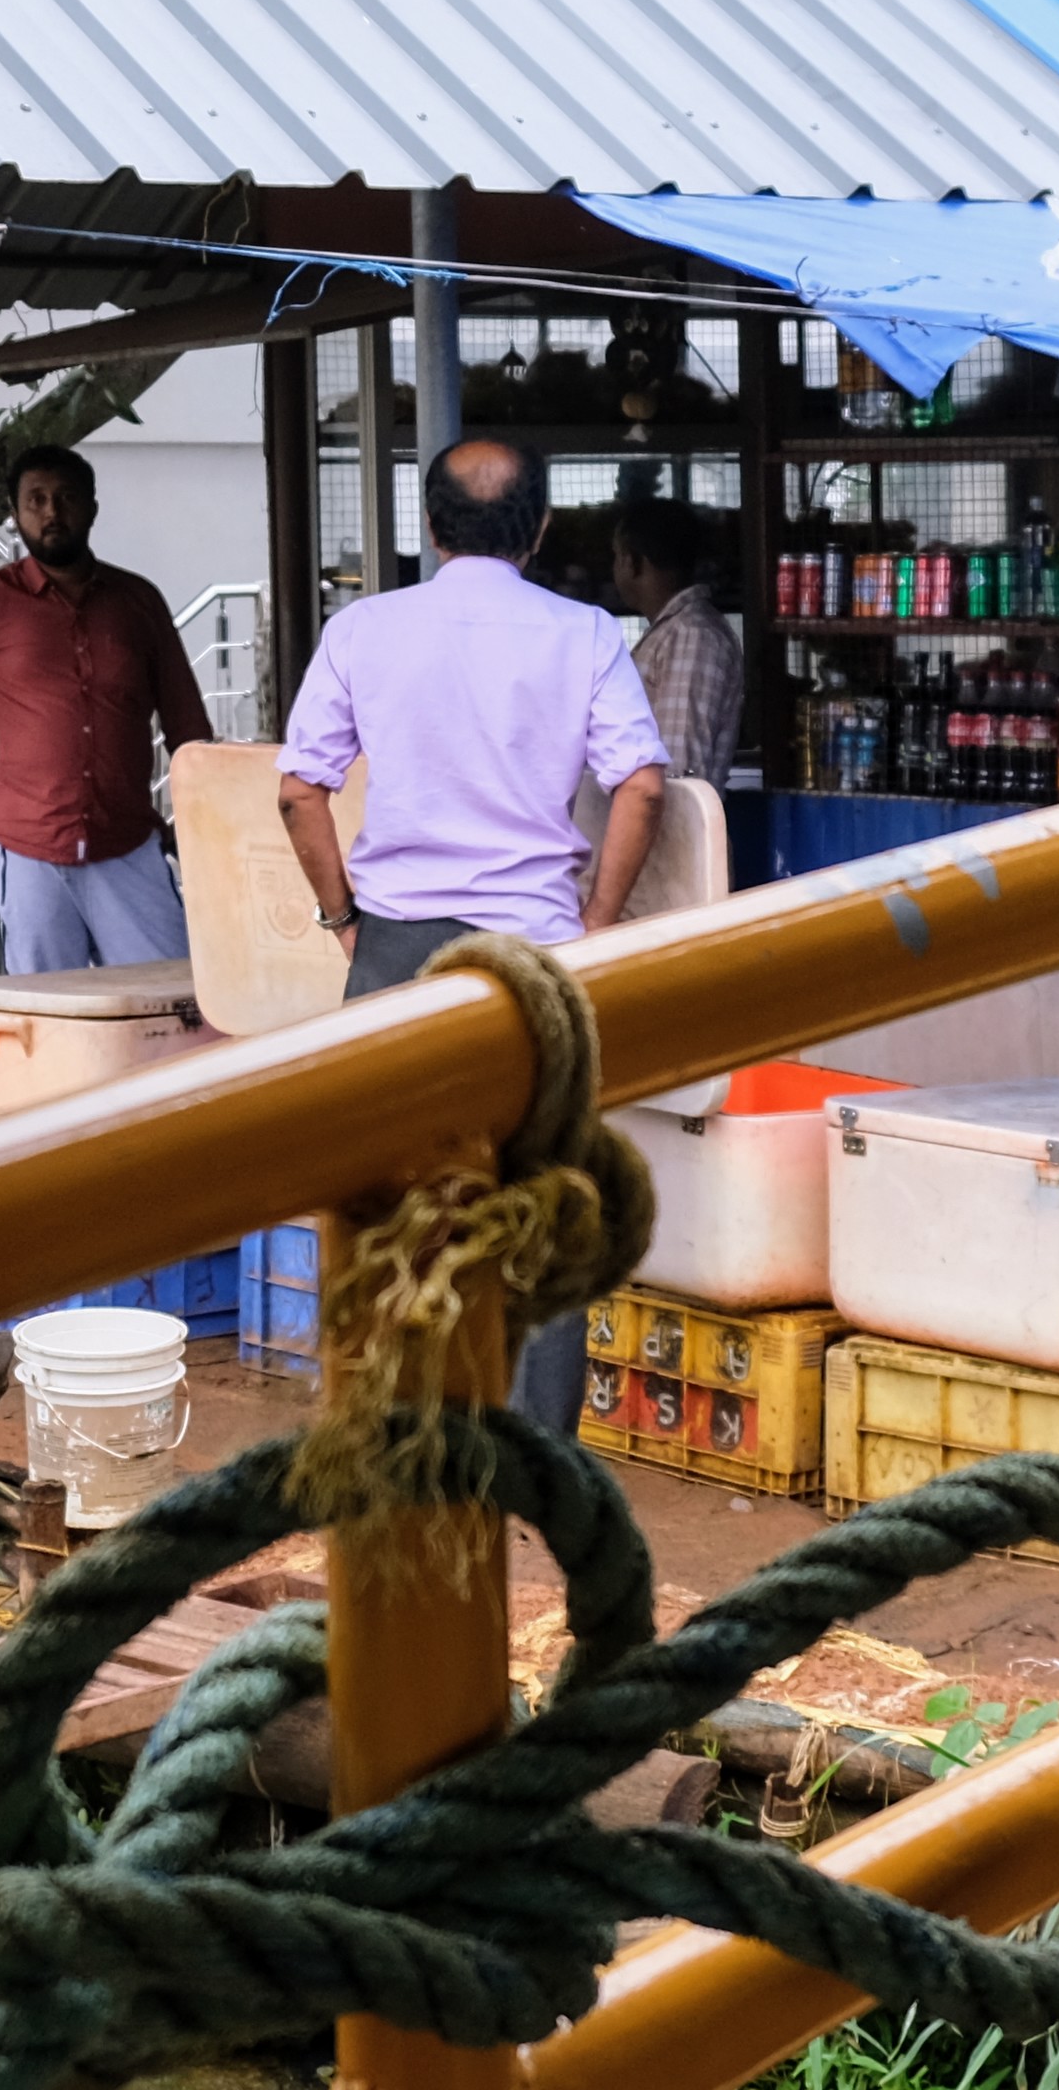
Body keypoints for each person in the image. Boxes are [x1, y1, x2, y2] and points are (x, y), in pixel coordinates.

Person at [275, 437, 673, 1430]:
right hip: (535, 962)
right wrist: (598, 919)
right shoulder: (585, 634)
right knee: (542, 1202)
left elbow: (298, 790)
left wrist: (341, 914)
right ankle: (535, 1450)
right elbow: (645, 782)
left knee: (386, 1203)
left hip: (397, 952)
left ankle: (390, 1424)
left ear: (431, 526)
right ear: (539, 527)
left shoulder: (364, 629)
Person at [0, 445, 212, 973]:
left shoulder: (137, 600)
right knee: (46, 1011)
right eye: (36, 500)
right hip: (28, 844)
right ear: (15, 513)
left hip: (126, 840)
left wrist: (204, 821)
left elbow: (187, 722)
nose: (52, 512)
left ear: (93, 508)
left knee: (172, 1002)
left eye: (67, 498)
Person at [611, 490, 746, 783]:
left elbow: (678, 767)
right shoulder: (673, 631)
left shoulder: (690, 636)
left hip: (671, 826)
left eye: (616, 557)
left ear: (632, 562)